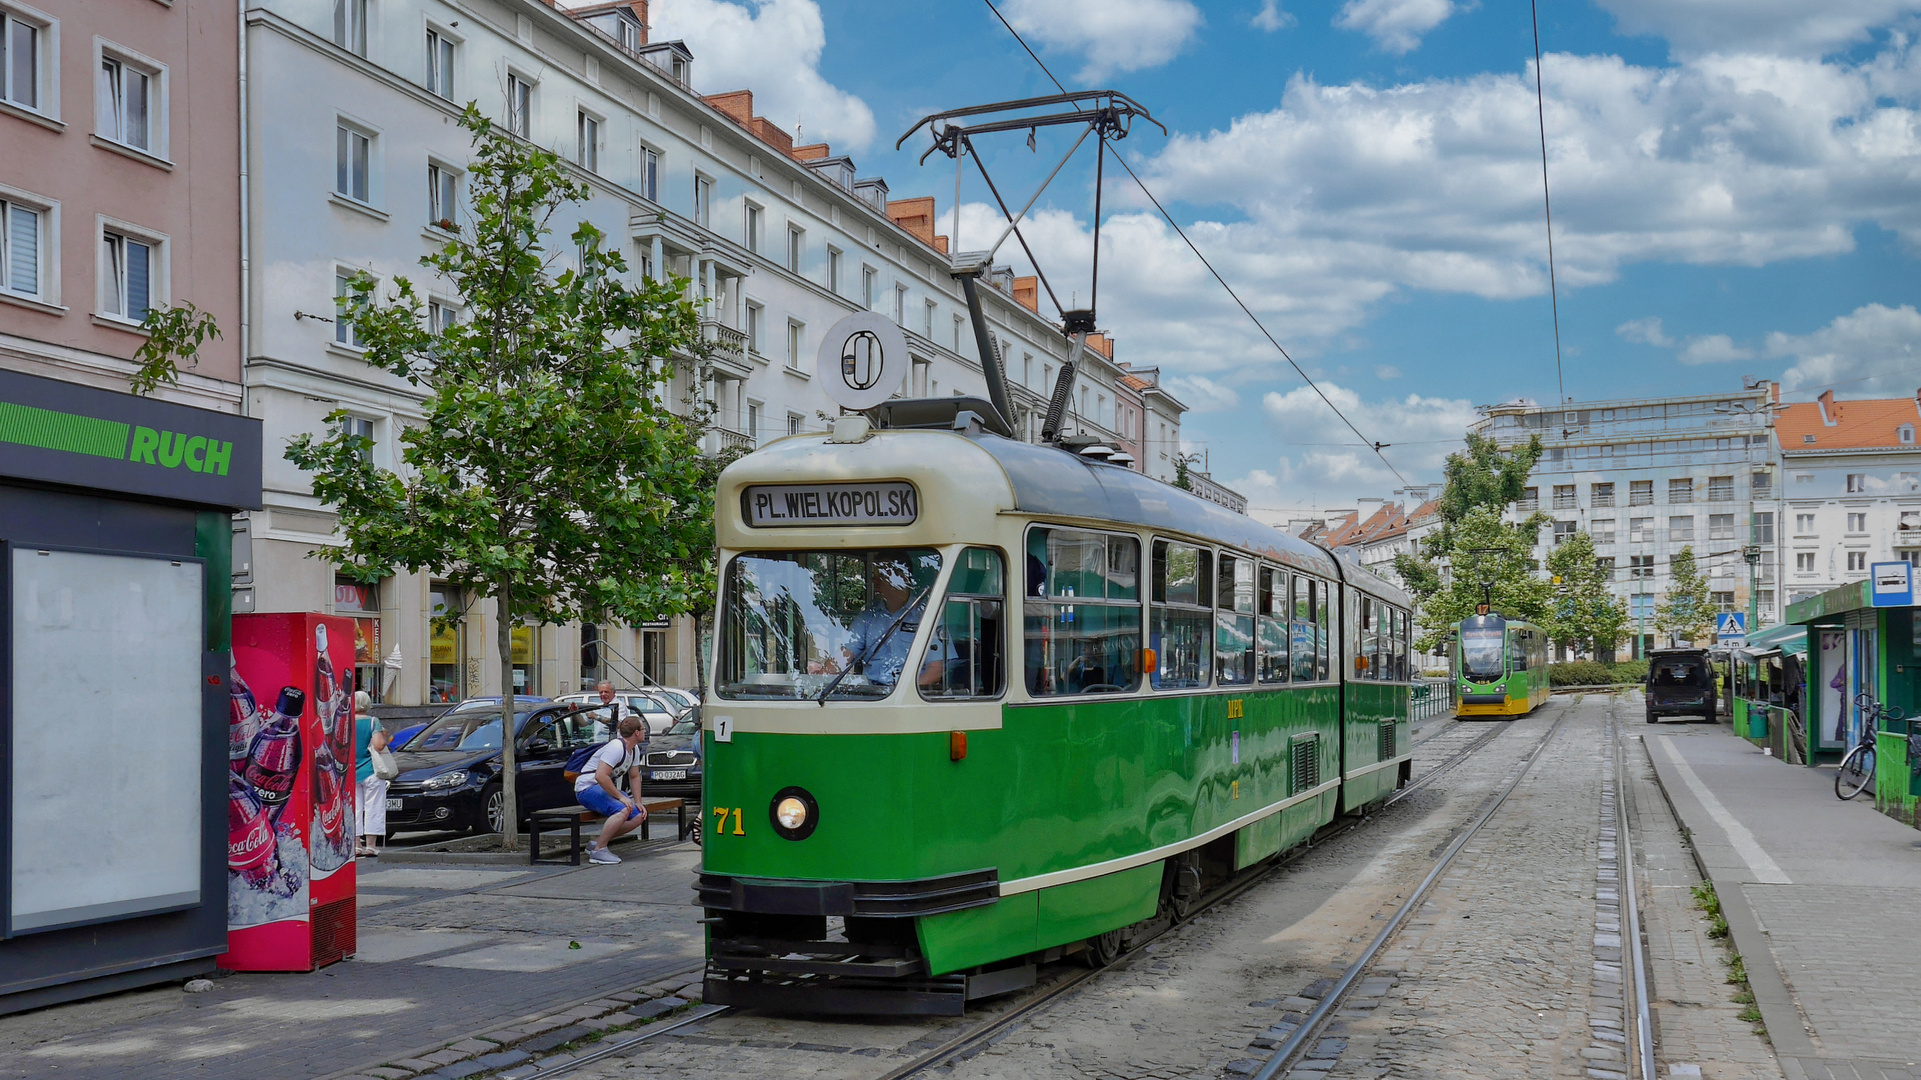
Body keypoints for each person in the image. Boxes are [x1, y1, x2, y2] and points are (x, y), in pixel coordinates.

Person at [821, 556, 931, 687]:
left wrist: (902, 693)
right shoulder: (869, 616)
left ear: (902, 576)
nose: (873, 580)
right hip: (873, 696)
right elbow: (843, 656)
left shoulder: (926, 615)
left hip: (911, 695)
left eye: (881, 574)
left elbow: (936, 668)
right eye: (874, 574)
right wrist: (820, 678)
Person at [576, 714, 648, 865]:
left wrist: (638, 802)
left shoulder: (633, 750)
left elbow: (634, 776)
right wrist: (621, 797)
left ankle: (596, 843)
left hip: (602, 788)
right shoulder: (616, 747)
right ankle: (599, 851)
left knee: (638, 815)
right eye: (643, 729)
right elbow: (600, 776)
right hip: (586, 788)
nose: (645, 732)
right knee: (622, 809)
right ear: (636, 732)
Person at [353, 691, 390, 858]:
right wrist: (383, 735)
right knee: (373, 807)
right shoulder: (372, 722)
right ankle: (371, 846)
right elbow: (379, 745)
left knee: (354, 809)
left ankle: (356, 845)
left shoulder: (345, 722)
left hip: (351, 774)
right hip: (371, 772)